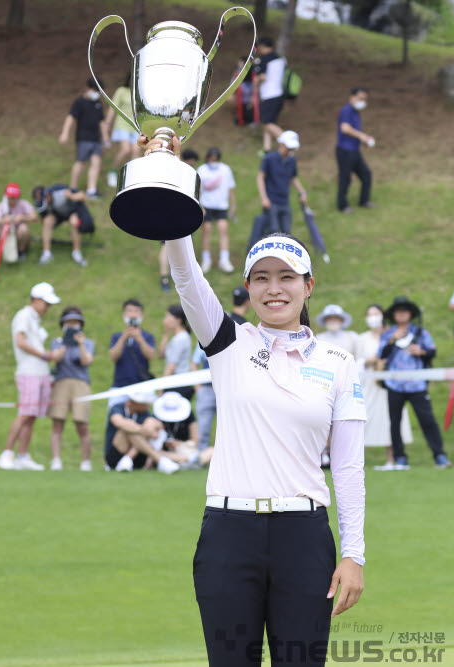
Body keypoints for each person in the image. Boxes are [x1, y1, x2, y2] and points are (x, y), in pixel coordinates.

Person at [151, 129, 366, 664]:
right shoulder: (227, 341)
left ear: (308, 286)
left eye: (287, 278)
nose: (274, 288)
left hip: (304, 535)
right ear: (246, 288)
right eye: (261, 278)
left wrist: (354, 554)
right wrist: (175, 182)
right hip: (229, 532)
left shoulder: (338, 363)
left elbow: (349, 468)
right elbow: (185, 271)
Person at [378, 296, 450, 470]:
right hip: (394, 384)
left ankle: (439, 455)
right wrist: (393, 339)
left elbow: (432, 351)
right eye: (398, 311)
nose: (401, 314)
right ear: (393, 315)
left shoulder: (420, 333)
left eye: (405, 310)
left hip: (417, 384)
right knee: (395, 422)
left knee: (427, 419)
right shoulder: (388, 334)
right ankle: (400, 458)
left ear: (410, 314)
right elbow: (381, 354)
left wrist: (421, 352)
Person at [0, 282, 61, 471]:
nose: (48, 308)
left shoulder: (34, 319)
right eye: (46, 303)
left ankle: (22, 456)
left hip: (40, 372)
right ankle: (7, 453)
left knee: (31, 416)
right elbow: (20, 341)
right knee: (25, 414)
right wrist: (45, 355)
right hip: (29, 372)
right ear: (36, 300)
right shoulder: (24, 315)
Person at [356, 304, 412, 470]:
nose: (373, 317)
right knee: (365, 420)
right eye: (370, 314)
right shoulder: (362, 339)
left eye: (376, 314)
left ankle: (392, 459)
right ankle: (358, 462)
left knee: (392, 420)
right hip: (370, 384)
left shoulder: (391, 335)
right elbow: (357, 361)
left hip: (392, 384)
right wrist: (371, 360)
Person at [48, 306, 95, 471]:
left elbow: (86, 361)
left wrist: (80, 344)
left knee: (81, 423)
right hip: (61, 383)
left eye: (75, 322)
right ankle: (56, 460)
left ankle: (85, 462)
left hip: (80, 383)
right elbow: (54, 359)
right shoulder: (57, 342)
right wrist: (64, 346)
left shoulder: (87, 343)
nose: (72, 325)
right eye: (68, 322)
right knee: (57, 422)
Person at [253, 130, 308, 246]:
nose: (289, 150)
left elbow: (293, 178)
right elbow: (260, 177)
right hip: (271, 200)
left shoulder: (292, 160)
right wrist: (264, 198)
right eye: (288, 147)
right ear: (282, 144)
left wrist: (302, 192)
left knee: (287, 232)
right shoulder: (269, 158)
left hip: (284, 201)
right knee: (273, 230)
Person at [104, 392, 180, 473]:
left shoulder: (145, 415)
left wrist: (141, 430)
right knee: (127, 428)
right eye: (145, 404)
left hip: (138, 457)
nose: (148, 406)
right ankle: (160, 460)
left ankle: (128, 458)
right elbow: (118, 422)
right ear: (135, 403)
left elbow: (157, 429)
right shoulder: (118, 408)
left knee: (139, 426)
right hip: (116, 455)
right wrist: (142, 430)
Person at [59, 77, 109, 198]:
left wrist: (106, 137)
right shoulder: (79, 102)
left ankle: (91, 190)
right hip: (83, 139)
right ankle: (73, 187)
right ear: (88, 88)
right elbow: (70, 117)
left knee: (96, 162)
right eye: (95, 90)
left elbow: (101, 122)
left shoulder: (98, 104)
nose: (96, 93)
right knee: (80, 163)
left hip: (96, 139)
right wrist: (65, 133)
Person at [159, 151, 201, 292]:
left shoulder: (190, 173)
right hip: (169, 212)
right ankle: (164, 277)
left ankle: (184, 277)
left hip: (185, 213)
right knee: (166, 245)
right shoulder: (173, 171)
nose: (191, 165)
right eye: (190, 162)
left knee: (184, 244)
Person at [107, 299, 156, 411]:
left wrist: (139, 339)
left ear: (141, 314)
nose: (133, 314)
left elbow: (151, 356)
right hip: (120, 386)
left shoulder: (147, 336)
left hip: (141, 387)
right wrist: (124, 337)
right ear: (124, 314)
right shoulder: (117, 336)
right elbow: (113, 357)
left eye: (136, 311)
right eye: (129, 311)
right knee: (115, 417)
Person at [197, 147, 237, 274]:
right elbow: (197, 190)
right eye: (211, 157)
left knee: (223, 230)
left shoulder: (225, 169)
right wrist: (199, 206)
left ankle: (224, 260)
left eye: (216, 157)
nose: (213, 160)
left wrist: (233, 205)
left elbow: (230, 189)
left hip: (221, 206)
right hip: (206, 206)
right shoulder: (202, 170)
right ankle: (206, 260)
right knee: (207, 231)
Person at [336, 87, 375, 213]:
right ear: (352, 97)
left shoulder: (356, 113)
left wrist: (363, 140)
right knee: (345, 178)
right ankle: (342, 206)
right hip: (345, 151)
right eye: (360, 98)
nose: (362, 102)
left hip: (354, 150)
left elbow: (354, 132)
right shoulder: (347, 110)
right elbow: (345, 128)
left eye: (364, 100)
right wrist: (361, 136)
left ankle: (364, 201)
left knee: (366, 175)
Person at [32, 184, 91, 267]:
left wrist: (73, 197)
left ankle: (76, 253)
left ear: (48, 196)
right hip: (58, 215)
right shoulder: (44, 205)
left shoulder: (61, 193)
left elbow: (82, 196)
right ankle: (46, 253)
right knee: (47, 221)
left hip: (71, 212)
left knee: (74, 221)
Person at [253, 37, 288, 152]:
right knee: (268, 122)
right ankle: (266, 149)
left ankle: (288, 143)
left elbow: (262, 76)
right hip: (279, 94)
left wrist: (256, 82)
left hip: (269, 95)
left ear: (262, 47)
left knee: (267, 123)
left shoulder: (265, 59)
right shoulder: (280, 59)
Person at [104, 72, 138, 189]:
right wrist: (108, 123)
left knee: (135, 151)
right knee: (125, 149)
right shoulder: (121, 91)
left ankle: (131, 178)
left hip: (136, 127)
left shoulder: (140, 94)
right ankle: (113, 171)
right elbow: (113, 108)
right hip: (122, 125)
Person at [0, 182, 38, 262]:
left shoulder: (23, 204)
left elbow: (35, 217)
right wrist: (6, 219)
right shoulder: (2, 206)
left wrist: (22, 218)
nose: (12, 200)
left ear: (18, 197)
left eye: (14, 198)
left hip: (18, 234)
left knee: (24, 228)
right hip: (6, 234)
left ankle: (21, 252)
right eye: (10, 198)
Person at [160, 304, 195, 402]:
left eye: (167, 317)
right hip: (177, 383)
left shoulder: (180, 339)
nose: (164, 320)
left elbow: (171, 366)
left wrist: (161, 388)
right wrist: (166, 334)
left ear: (178, 320)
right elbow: (161, 356)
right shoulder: (178, 337)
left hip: (177, 385)